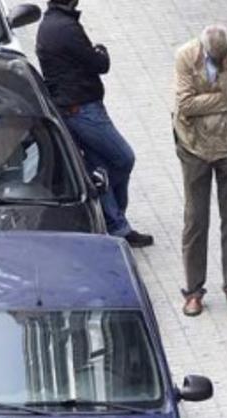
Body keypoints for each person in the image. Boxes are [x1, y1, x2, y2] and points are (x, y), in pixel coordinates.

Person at [35, 0, 153, 248]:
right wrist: (101, 50)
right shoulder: (66, 28)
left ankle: (117, 226)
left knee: (100, 164)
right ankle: (112, 214)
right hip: (83, 110)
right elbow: (99, 64)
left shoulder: (52, 24)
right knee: (122, 158)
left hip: (75, 106)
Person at [173, 25, 227, 316]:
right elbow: (185, 104)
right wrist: (221, 98)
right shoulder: (186, 56)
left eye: (224, 58)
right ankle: (193, 290)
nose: (219, 62)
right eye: (215, 59)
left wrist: (225, 79)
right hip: (194, 146)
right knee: (196, 219)